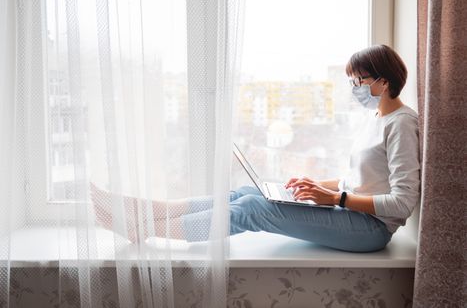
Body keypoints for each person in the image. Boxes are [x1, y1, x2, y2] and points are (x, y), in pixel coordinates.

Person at [92, 44, 420, 253]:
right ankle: (138, 208)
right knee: (247, 193)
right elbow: (362, 178)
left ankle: (142, 228)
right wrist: (316, 185)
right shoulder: (375, 117)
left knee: (255, 209)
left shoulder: (402, 123)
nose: (353, 89)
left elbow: (403, 202)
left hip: (370, 230)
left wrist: (334, 198)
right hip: (348, 211)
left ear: (383, 81)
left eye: (358, 82)